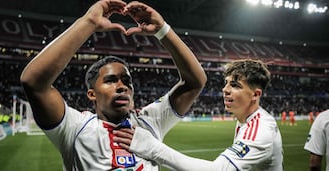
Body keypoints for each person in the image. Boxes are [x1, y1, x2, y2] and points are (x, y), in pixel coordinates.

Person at [20, 0, 207, 170]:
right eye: (110, 80)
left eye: (127, 81)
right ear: (92, 94)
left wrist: (163, 30)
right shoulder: (75, 128)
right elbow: (34, 82)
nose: (122, 86)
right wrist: (89, 22)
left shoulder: (148, 123)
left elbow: (195, 81)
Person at [114, 59, 283, 171]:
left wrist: (152, 147)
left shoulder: (260, 130)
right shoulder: (247, 120)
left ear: (256, 95)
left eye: (236, 85)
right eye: (226, 84)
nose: (225, 90)